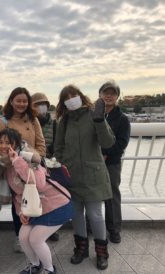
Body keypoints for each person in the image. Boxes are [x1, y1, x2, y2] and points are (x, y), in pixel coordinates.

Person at [54, 85, 115, 270]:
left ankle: (102, 252)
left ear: (81, 96)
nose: (71, 99)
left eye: (74, 95)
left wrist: (100, 120)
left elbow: (108, 142)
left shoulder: (94, 114)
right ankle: (81, 249)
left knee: (95, 215)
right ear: (63, 103)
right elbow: (58, 148)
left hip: (93, 174)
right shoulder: (63, 121)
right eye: (67, 97)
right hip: (71, 176)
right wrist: (61, 168)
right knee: (76, 215)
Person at [0, 128, 72, 274]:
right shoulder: (6, 166)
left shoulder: (29, 159)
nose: (4, 145)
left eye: (8, 142)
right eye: (1, 142)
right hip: (36, 209)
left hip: (56, 204)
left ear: (17, 144)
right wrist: (21, 212)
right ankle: (35, 265)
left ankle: (49, 269)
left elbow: (39, 184)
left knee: (36, 239)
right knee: (23, 237)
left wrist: (17, 160)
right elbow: (18, 195)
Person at [0, 87, 46, 252]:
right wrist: (13, 160)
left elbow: (41, 143)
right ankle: (20, 236)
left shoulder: (33, 119)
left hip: (32, 167)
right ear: (11, 101)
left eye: (25, 101)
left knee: (36, 199)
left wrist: (36, 159)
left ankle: (37, 235)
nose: (21, 104)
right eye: (18, 100)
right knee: (18, 203)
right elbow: (0, 146)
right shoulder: (3, 120)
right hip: (13, 169)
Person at [99, 81, 131, 244]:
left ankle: (114, 229)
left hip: (111, 163)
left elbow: (122, 143)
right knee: (93, 195)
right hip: (94, 163)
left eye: (112, 93)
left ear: (117, 96)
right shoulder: (93, 115)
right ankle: (93, 226)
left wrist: (105, 154)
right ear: (100, 95)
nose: (109, 96)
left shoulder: (122, 119)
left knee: (112, 195)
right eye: (106, 92)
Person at [31, 92, 59, 242]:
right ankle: (36, 225)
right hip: (33, 165)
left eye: (43, 104)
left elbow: (58, 143)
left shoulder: (54, 123)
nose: (41, 108)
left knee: (49, 197)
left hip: (50, 164)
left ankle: (50, 228)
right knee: (35, 197)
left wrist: (49, 156)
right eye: (37, 104)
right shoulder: (29, 122)